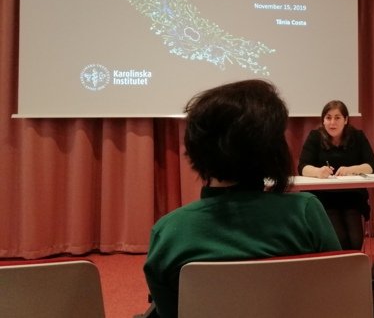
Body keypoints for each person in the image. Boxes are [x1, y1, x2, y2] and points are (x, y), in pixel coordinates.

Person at [144, 80, 341, 318]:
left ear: (196, 150)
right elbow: (335, 298)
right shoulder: (306, 213)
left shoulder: (170, 232)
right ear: (275, 151)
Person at [298, 100, 374, 250]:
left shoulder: (357, 136)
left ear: (346, 120)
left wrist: (352, 169)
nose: (332, 122)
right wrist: (318, 172)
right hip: (324, 198)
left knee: (356, 240)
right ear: (323, 120)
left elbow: (372, 165)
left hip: (352, 197)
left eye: (337, 118)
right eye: (328, 117)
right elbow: (303, 167)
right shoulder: (315, 137)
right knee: (340, 239)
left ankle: (355, 269)